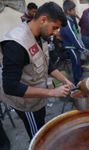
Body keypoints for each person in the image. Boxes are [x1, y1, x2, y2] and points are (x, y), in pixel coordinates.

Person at [0, 2, 73, 139]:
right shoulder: (15, 44)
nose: (56, 33)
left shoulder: (41, 35)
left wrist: (65, 80)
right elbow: (10, 87)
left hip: (38, 97)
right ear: (43, 19)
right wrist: (52, 92)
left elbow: (47, 65)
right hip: (26, 104)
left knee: (42, 125)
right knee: (37, 136)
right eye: (55, 27)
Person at [60, 0, 88, 85]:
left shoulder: (70, 19)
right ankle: (77, 85)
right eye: (73, 10)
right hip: (71, 47)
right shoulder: (67, 21)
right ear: (68, 11)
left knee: (78, 65)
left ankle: (78, 81)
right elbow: (73, 37)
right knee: (76, 65)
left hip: (73, 46)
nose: (75, 11)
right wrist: (83, 49)